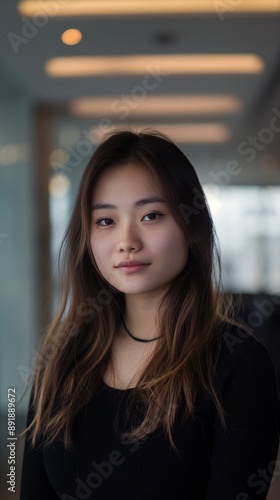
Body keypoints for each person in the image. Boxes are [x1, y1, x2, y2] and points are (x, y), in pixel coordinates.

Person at [20, 129, 280, 500]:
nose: (127, 241)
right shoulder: (62, 358)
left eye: (151, 215)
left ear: (192, 225)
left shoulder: (238, 364)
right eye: (106, 221)